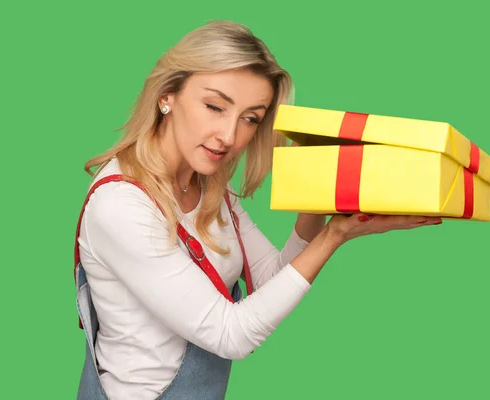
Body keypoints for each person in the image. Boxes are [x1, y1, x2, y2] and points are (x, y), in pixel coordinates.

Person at [73, 20, 442, 400]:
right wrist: (334, 236)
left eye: (250, 118)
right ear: (167, 95)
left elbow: (269, 279)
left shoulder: (211, 186)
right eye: (215, 106)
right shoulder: (120, 206)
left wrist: (317, 202)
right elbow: (229, 334)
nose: (229, 136)